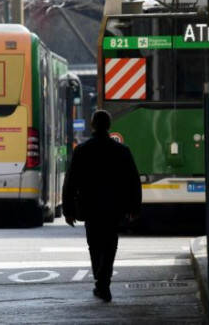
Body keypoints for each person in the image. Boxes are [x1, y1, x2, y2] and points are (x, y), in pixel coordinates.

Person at [62, 110, 141, 302]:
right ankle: (103, 281)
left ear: (92, 125)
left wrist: (68, 210)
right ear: (109, 126)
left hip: (90, 206)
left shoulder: (82, 150)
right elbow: (133, 181)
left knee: (94, 244)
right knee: (110, 243)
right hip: (114, 206)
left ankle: (101, 280)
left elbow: (70, 182)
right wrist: (134, 207)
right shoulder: (122, 151)